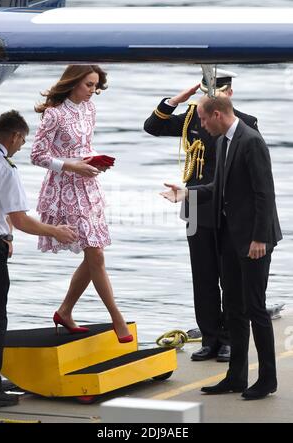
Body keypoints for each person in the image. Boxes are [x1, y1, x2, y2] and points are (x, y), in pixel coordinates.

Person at [161, 94, 282, 400]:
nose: (200, 125)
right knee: (233, 308)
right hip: (228, 235)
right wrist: (187, 194)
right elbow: (219, 187)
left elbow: (264, 194)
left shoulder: (250, 141)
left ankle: (267, 379)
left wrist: (260, 238)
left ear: (216, 114)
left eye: (202, 119)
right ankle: (236, 377)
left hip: (254, 239)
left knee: (255, 308)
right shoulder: (222, 141)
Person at [144, 70, 258, 362]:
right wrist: (178, 98)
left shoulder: (246, 123)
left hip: (228, 211)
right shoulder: (192, 118)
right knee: (203, 277)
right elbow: (153, 126)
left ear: (229, 94)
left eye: (216, 96)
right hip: (196, 209)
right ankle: (210, 338)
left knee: (230, 279)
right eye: (205, 95)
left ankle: (231, 338)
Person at [31, 65, 132, 343]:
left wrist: (95, 160)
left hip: (88, 185)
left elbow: (84, 146)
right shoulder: (54, 114)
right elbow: (37, 156)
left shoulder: (90, 109)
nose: (93, 91)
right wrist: (72, 166)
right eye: (89, 85)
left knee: (94, 253)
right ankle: (116, 318)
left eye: (96, 86)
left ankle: (64, 310)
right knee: (96, 254)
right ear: (74, 82)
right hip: (64, 189)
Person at [0, 110, 77, 408]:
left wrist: (8, 235)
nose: (20, 146)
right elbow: (20, 218)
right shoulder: (5, 168)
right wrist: (56, 231)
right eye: (22, 141)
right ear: (15, 136)